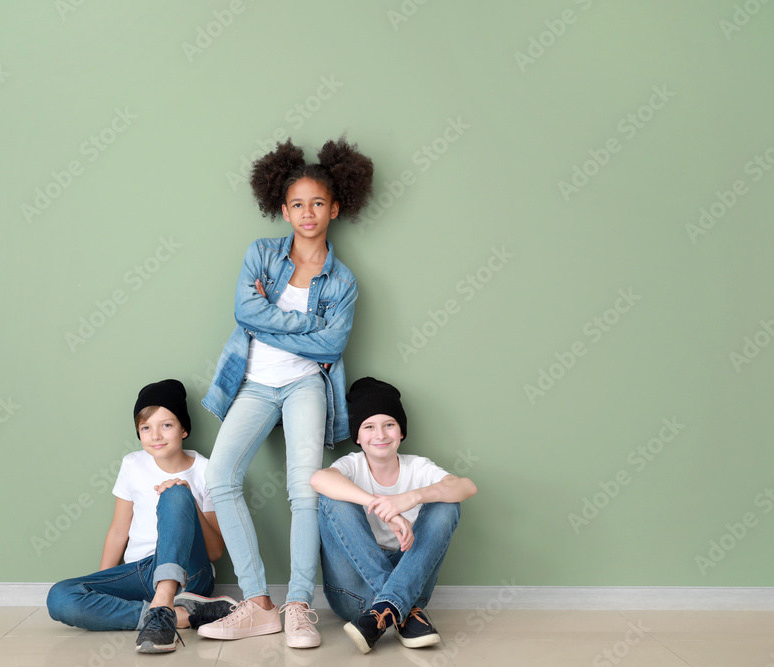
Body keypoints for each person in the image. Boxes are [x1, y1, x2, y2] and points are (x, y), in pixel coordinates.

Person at [198, 137, 374, 649]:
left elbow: (333, 343)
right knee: (220, 474)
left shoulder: (342, 281)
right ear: (283, 209)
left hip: (305, 386)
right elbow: (243, 313)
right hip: (254, 384)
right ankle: (257, 603)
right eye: (297, 204)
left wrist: (270, 323)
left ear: (335, 208)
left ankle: (299, 604)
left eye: (317, 203)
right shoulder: (260, 254)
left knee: (305, 490)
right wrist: (303, 328)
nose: (307, 213)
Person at [47, 379, 234, 653]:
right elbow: (118, 531)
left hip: (190, 575)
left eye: (166, 425)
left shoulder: (206, 471)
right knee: (60, 598)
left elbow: (215, 552)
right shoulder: (132, 464)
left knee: (175, 493)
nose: (155, 435)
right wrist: (104, 584)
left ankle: (165, 601)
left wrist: (189, 501)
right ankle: (178, 615)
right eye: (146, 428)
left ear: (184, 429)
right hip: (142, 572)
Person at [310, 377, 478, 654]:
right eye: (369, 427)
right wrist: (381, 506)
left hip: (411, 583)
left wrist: (410, 498)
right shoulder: (352, 465)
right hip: (354, 595)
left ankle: (385, 610)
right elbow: (319, 479)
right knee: (335, 499)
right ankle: (401, 610)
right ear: (358, 437)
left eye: (389, 424)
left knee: (447, 503)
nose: (380, 435)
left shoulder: (417, 467)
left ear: (401, 431)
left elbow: (466, 487)